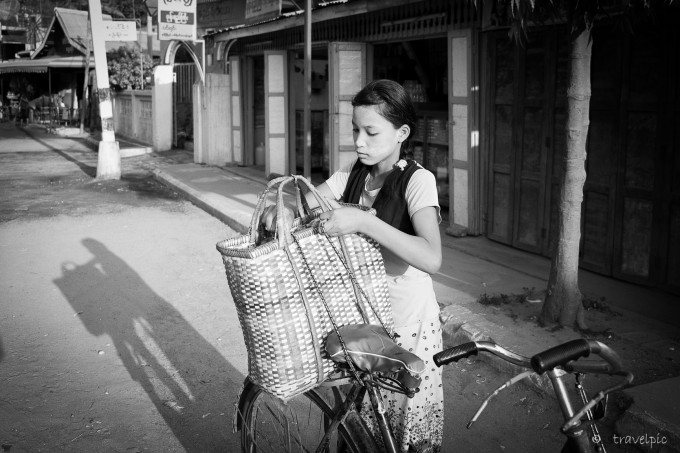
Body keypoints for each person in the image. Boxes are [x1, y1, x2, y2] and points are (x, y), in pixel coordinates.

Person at [264, 79, 444, 452]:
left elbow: (431, 257)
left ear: (402, 133)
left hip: (407, 322)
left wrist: (364, 221)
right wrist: (285, 203)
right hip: (360, 315)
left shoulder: (417, 181)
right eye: (355, 130)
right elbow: (310, 200)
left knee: (404, 430)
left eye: (370, 131)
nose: (359, 141)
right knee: (359, 421)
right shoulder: (354, 174)